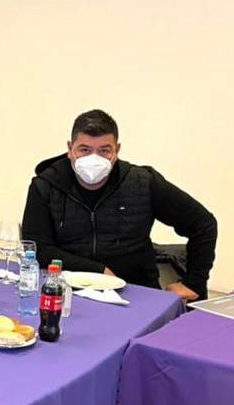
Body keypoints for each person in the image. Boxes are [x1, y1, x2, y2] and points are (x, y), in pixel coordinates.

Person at [21, 109, 217, 301]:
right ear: (70, 149)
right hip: (69, 291)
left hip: (136, 292)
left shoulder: (142, 182)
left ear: (117, 150)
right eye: (84, 150)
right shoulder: (45, 186)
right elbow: (37, 248)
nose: (94, 159)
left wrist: (194, 283)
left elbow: (203, 224)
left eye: (104, 151)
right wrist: (98, 271)